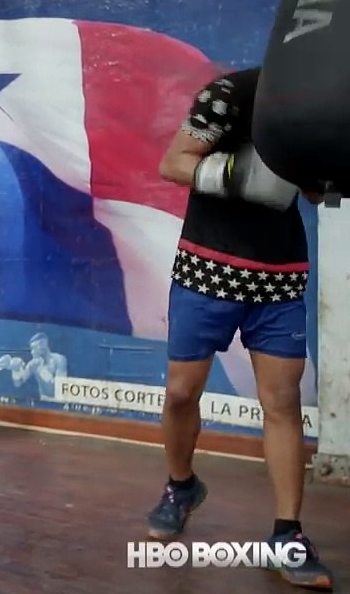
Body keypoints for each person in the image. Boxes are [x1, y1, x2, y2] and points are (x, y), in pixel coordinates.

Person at [152, 67, 332, 590]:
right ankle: (181, 486)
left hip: (278, 278)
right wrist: (244, 175)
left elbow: (316, 194)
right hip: (206, 270)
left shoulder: (321, 110)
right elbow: (173, 163)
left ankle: (287, 534)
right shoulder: (231, 94)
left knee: (282, 404)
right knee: (181, 393)